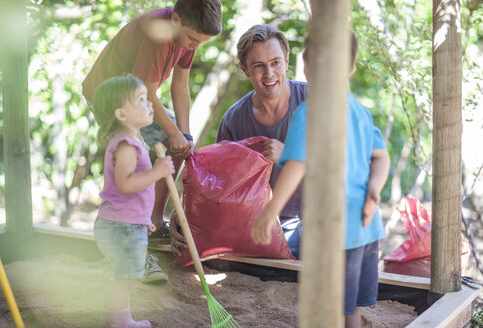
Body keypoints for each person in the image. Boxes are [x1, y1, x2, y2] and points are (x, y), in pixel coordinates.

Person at [251, 31, 391, 328]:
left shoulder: (309, 113)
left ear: (305, 64)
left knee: (326, 304)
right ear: (351, 67)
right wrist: (374, 191)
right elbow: (381, 157)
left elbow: (297, 165)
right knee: (349, 304)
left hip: (334, 228)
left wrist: (269, 213)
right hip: (367, 229)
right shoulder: (360, 112)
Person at [82, 0, 222, 240]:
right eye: (192, 40)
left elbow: (180, 86)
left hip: (139, 97)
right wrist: (175, 134)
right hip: (109, 96)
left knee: (179, 146)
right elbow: (146, 91)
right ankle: (129, 233)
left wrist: (183, 136)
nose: (194, 46)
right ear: (176, 20)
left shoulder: (188, 35)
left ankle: (153, 224)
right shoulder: (157, 33)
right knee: (131, 160)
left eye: (200, 43)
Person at [169, 25, 307, 260]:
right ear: (244, 69)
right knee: (186, 236)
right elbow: (219, 189)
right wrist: (182, 215)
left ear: (286, 60)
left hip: (309, 220)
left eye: (275, 62)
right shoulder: (234, 119)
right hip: (252, 225)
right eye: (258, 66)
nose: (269, 74)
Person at [91, 75, 175, 328]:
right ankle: (119, 321)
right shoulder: (126, 145)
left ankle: (118, 318)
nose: (150, 104)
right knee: (126, 277)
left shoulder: (129, 140)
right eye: (141, 100)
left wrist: (142, 220)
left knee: (127, 275)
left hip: (126, 223)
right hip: (121, 226)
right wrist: (157, 173)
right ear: (121, 114)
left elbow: (128, 193)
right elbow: (126, 183)